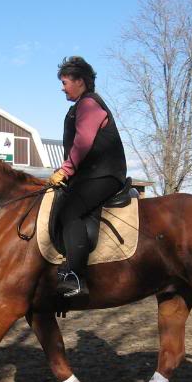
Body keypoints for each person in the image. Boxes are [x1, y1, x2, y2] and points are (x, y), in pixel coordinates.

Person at [48, 56, 127, 297]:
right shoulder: (80, 106)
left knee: (70, 211)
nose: (62, 88)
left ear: (80, 81)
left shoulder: (89, 105)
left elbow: (83, 143)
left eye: (65, 82)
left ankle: (76, 277)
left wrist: (66, 170)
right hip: (92, 175)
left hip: (104, 174)